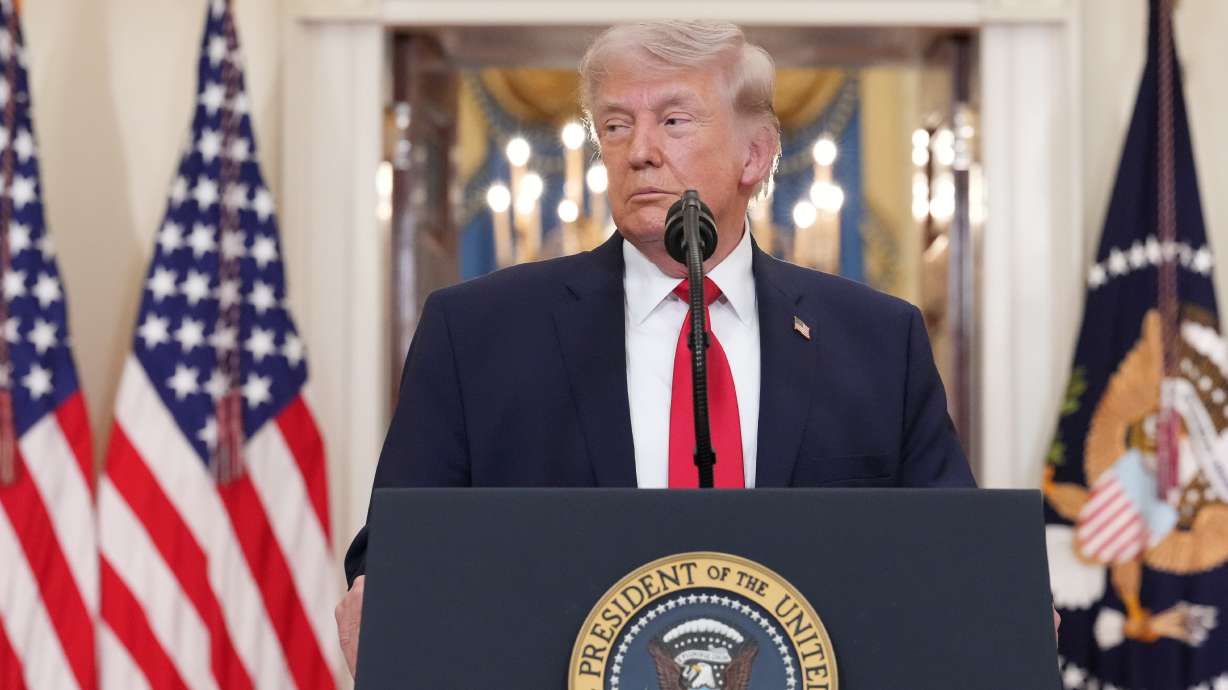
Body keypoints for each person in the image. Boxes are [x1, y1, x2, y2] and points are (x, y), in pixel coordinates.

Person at [334, 20, 978, 676]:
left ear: (755, 155)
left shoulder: (875, 341)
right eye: (615, 126)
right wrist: (382, 597)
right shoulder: (475, 333)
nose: (639, 150)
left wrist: (995, 603)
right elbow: (397, 556)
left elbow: (955, 559)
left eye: (674, 121)